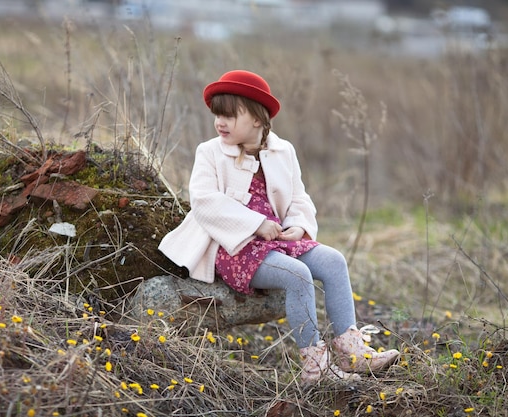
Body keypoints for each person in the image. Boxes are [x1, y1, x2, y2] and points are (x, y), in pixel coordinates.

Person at [159, 70, 400, 383]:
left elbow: (299, 197)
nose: (221, 122)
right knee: (296, 274)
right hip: (233, 246)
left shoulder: (283, 151)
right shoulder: (210, 152)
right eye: (218, 114)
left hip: (277, 240)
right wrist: (256, 223)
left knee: (334, 260)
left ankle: (351, 352)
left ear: (258, 118)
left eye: (230, 115)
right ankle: (315, 368)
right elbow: (204, 202)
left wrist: (298, 225)